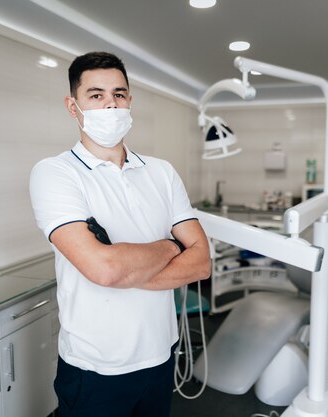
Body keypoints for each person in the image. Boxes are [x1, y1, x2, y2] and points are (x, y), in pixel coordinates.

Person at [29, 51, 211, 417]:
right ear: (72, 105)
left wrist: (124, 265)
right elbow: (106, 271)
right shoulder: (55, 173)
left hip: (160, 357)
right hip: (95, 366)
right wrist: (171, 245)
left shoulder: (161, 172)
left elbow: (202, 263)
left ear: (130, 102)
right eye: (95, 95)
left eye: (119, 94)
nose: (110, 104)